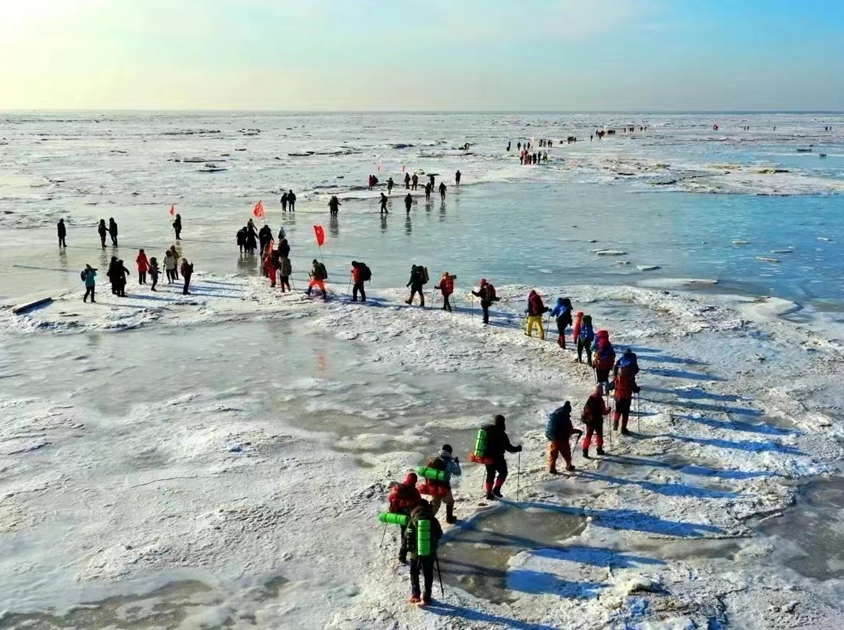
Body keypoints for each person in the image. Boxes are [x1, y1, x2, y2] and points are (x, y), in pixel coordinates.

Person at [405, 500, 442, 605]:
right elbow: (439, 534)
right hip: (429, 552)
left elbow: (407, 535)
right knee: (428, 574)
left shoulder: (412, 520)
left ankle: (415, 595)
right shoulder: (433, 520)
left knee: (414, 573)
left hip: (415, 553)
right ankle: (427, 597)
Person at [482, 414, 522, 500]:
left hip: (487, 458)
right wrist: (518, 448)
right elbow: (509, 448)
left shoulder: (486, 432)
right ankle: (496, 490)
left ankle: (488, 494)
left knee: (490, 475)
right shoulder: (502, 434)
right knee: (503, 473)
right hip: (498, 458)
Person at [388, 472, 422, 564]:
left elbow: (390, 498)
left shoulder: (398, 488)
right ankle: (413, 553)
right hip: (411, 516)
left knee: (404, 533)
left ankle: (402, 555)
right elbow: (418, 502)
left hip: (401, 516)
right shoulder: (414, 491)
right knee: (412, 534)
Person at [424, 445, 461, 523]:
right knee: (450, 502)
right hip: (443, 488)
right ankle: (449, 518)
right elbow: (458, 473)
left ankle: (426, 521)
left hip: (432, 487)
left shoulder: (434, 460)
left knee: (435, 505)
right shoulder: (449, 463)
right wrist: (456, 463)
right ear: (450, 452)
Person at [545, 402, 581, 473]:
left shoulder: (554, 416)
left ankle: (552, 468)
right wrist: (579, 431)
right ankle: (569, 466)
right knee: (566, 453)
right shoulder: (566, 419)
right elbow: (570, 430)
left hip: (553, 439)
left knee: (553, 453)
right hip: (563, 440)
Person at [612, 349, 640, 435]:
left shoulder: (617, 378)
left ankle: (615, 422)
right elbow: (634, 387)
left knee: (617, 410)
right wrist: (636, 389)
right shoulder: (629, 378)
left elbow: (611, 385)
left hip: (618, 396)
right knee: (625, 413)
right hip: (627, 397)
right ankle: (623, 429)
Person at [582, 384, 610, 458]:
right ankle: (599, 449)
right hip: (597, 421)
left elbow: (585, 409)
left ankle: (585, 451)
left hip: (589, 421)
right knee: (599, 435)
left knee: (588, 436)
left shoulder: (590, 398)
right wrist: (608, 410)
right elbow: (604, 412)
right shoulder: (600, 400)